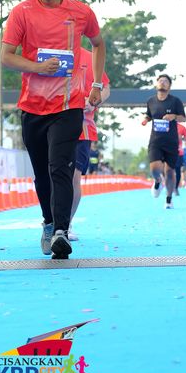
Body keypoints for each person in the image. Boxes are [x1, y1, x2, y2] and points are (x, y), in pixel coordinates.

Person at [1, 0, 105, 260]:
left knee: (61, 167)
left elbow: (98, 44)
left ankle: (61, 230)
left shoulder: (81, 12)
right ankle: (48, 222)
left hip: (68, 105)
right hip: (32, 106)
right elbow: (6, 57)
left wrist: (96, 84)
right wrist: (37, 67)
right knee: (42, 173)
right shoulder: (21, 12)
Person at [69, 46, 110, 241]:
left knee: (74, 177)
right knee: (55, 177)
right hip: (52, 126)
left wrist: (94, 100)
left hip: (82, 128)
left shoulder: (90, 57)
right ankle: (50, 221)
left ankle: (65, 223)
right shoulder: (51, 52)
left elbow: (106, 87)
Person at [142, 74, 186, 209]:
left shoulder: (175, 101)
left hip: (171, 141)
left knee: (170, 171)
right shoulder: (151, 101)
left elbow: (183, 118)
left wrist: (173, 116)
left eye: (165, 81)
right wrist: (146, 119)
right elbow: (149, 114)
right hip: (155, 141)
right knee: (155, 168)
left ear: (169, 86)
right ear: (156, 84)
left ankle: (168, 199)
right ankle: (157, 181)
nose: (162, 83)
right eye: (160, 81)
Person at [174, 121, 186, 196]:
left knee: (178, 171)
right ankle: (168, 187)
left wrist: (181, 138)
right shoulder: (167, 125)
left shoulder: (182, 127)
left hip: (179, 152)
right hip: (168, 152)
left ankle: (176, 187)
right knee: (168, 170)